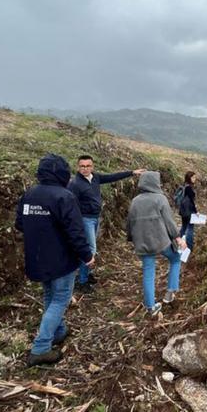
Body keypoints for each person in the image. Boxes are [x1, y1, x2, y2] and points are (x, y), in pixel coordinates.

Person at [15, 154, 94, 367]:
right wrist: (87, 255)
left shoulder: (29, 195)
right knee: (60, 298)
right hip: (61, 259)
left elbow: (19, 224)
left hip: (37, 257)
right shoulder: (64, 197)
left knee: (50, 295)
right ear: (63, 173)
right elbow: (75, 232)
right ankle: (41, 348)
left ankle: (58, 331)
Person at [67, 154, 144, 293]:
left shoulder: (95, 178)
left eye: (88, 166)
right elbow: (72, 204)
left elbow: (112, 177)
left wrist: (131, 172)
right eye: (82, 166)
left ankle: (87, 275)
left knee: (90, 248)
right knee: (90, 249)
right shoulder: (75, 184)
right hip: (85, 219)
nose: (85, 169)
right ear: (78, 167)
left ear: (92, 166)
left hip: (96, 218)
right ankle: (82, 281)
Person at [126, 171, 187, 315]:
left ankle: (150, 306)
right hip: (160, 240)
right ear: (155, 183)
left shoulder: (135, 201)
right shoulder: (160, 199)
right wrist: (178, 237)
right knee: (175, 259)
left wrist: (131, 238)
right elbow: (169, 221)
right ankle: (170, 292)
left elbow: (129, 223)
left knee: (148, 271)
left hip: (142, 241)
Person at [179, 171, 199, 249]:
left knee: (184, 227)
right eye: (193, 177)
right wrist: (196, 211)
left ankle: (178, 243)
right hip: (189, 211)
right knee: (190, 228)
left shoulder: (184, 186)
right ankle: (189, 246)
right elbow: (191, 201)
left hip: (183, 210)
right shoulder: (189, 188)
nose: (195, 179)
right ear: (189, 178)